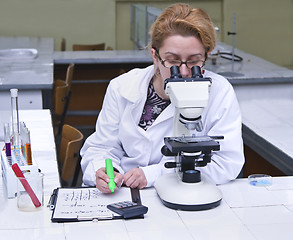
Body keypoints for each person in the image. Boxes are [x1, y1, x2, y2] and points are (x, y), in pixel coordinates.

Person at [80, 3, 245, 193]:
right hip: (123, 192)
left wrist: (151, 174)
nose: (183, 72)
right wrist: (103, 170)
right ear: (155, 56)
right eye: (173, 61)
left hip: (186, 191)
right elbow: (102, 147)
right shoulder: (122, 87)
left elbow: (226, 163)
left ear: (206, 57)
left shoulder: (219, 91)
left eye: (194, 61)